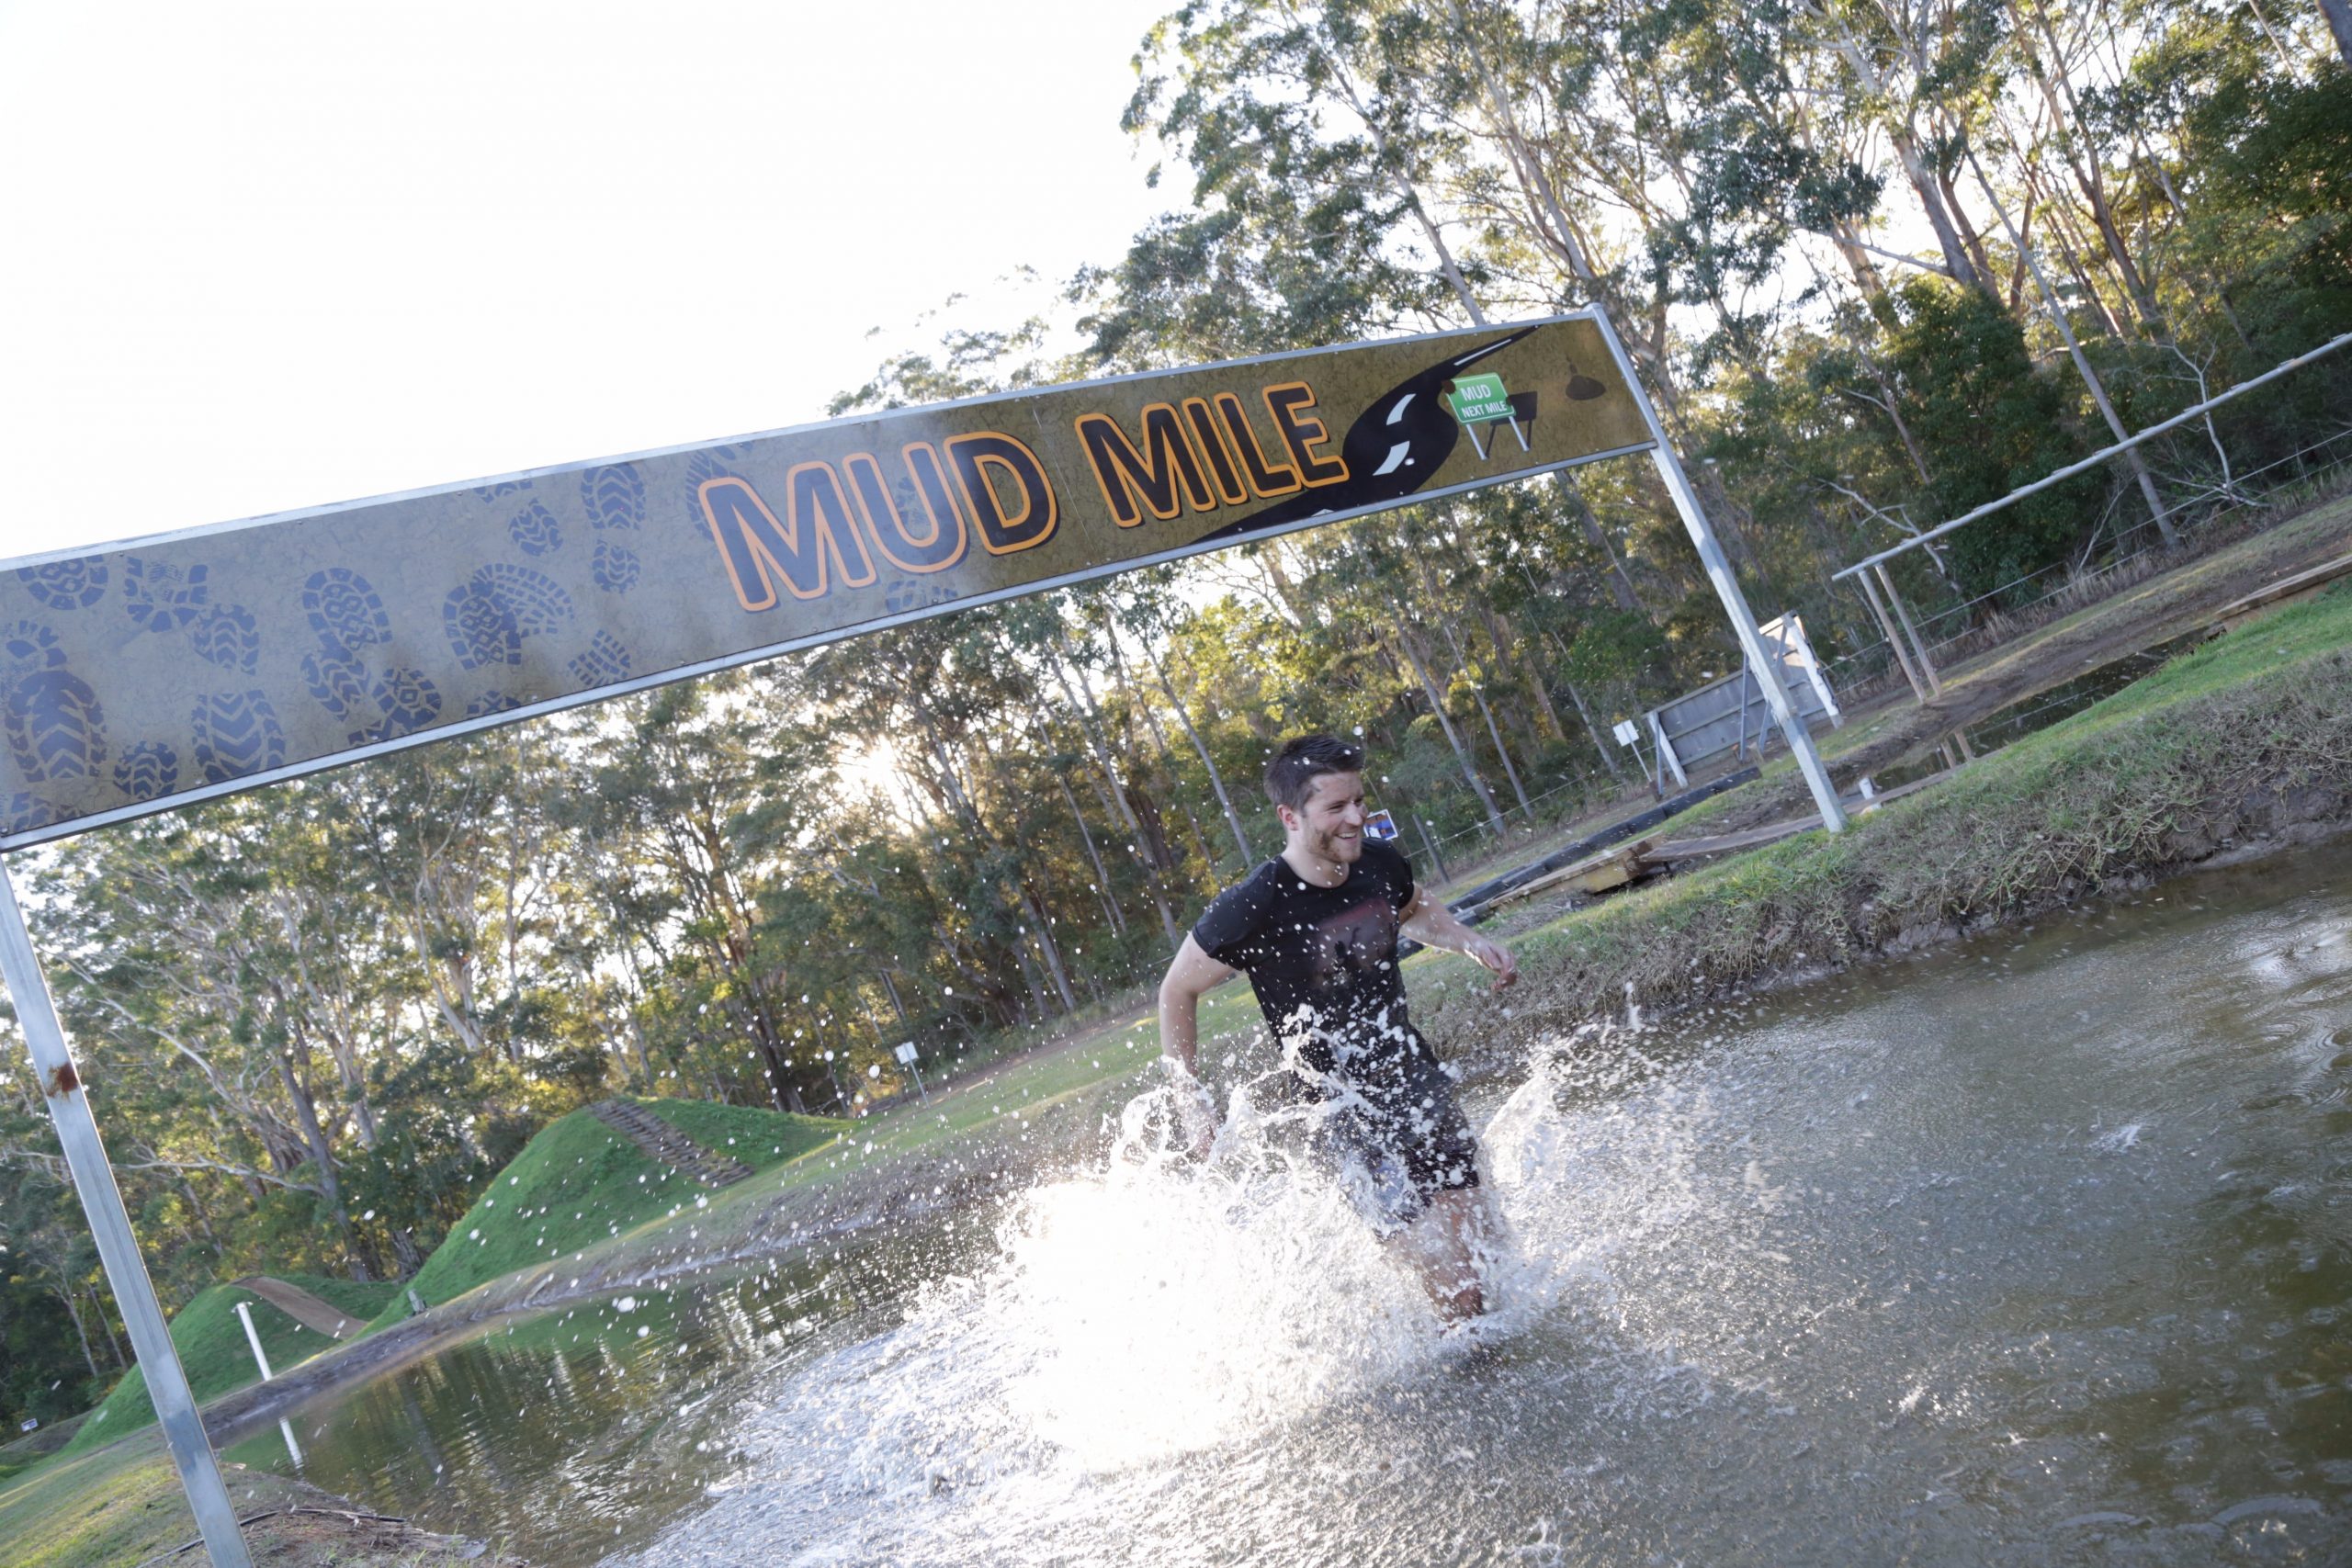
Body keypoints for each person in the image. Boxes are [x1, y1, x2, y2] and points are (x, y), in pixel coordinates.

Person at [1158, 733, 1517, 1322]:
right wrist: (1192, 1101)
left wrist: (1471, 943)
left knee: (1486, 1252)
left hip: (1415, 1080)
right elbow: (1177, 989)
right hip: (1340, 1115)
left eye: (1359, 801)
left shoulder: (1376, 863)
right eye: (1336, 807)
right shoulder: (1256, 905)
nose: (1356, 818)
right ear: (1290, 817)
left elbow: (1415, 906)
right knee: (1460, 1293)